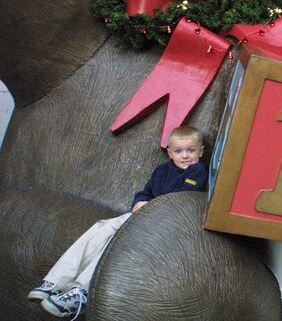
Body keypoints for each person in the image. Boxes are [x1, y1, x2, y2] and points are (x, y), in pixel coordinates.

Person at [27, 126, 208, 318]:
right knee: (102, 227)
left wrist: (149, 205)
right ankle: (54, 283)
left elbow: (179, 198)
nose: (185, 156)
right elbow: (145, 192)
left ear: (201, 151)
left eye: (191, 150)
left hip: (160, 224)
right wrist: (138, 202)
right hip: (141, 214)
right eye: (179, 151)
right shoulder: (161, 170)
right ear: (170, 153)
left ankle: (81, 292)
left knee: (115, 244)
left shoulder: (197, 171)